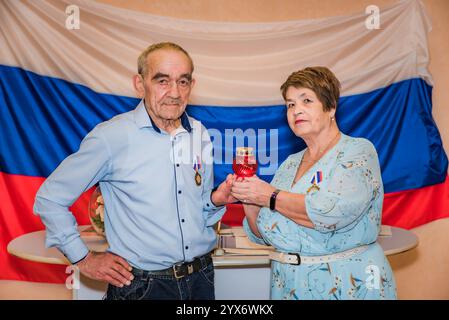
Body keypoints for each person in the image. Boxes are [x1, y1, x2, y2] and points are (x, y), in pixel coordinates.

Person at [34, 42, 237, 300]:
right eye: (162, 81)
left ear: (192, 86)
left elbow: (199, 211)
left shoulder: (199, 133)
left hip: (202, 280)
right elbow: (49, 198)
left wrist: (215, 201)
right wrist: (83, 258)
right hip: (143, 287)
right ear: (140, 84)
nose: (174, 92)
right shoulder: (112, 137)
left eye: (183, 82)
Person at [231, 66, 397, 300]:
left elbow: (329, 212)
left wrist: (268, 196)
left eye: (306, 100)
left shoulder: (358, 151)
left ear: (331, 107)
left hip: (348, 283)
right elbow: (264, 234)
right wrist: (250, 200)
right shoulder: (290, 164)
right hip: (289, 285)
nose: (296, 110)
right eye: (290, 105)